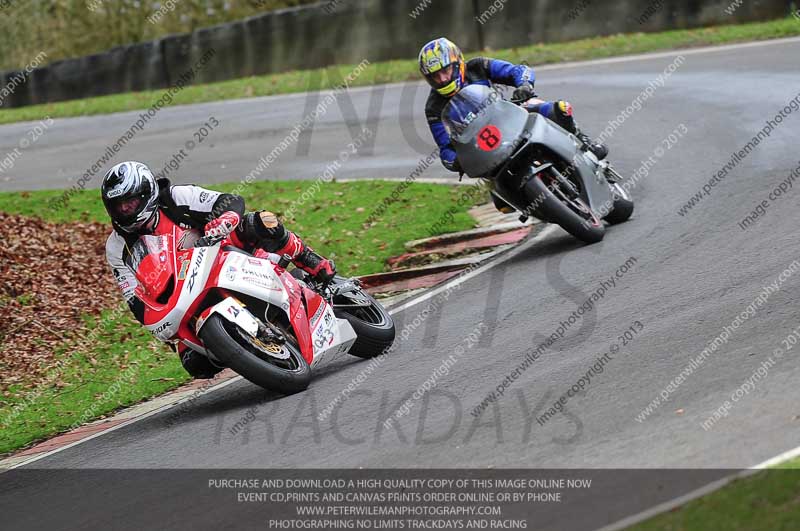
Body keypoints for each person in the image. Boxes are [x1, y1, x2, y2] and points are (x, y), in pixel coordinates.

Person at [101, 161, 335, 379]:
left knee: (261, 221)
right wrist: (157, 322)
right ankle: (240, 345)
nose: (125, 210)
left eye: (129, 203)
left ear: (146, 194)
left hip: (223, 252)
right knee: (195, 364)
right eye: (118, 206)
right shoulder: (116, 247)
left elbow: (229, 201)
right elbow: (133, 298)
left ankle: (309, 258)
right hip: (182, 296)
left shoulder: (174, 197)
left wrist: (225, 220)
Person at [419, 38, 608, 211]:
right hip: (483, 149)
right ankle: (543, 207)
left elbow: (517, 70)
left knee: (558, 108)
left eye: (446, 71)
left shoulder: (478, 66)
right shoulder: (433, 108)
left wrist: (524, 85)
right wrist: (456, 161)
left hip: (508, 118)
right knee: (504, 205)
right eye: (436, 76)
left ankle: (585, 144)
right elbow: (445, 148)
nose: (443, 79)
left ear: (458, 62)